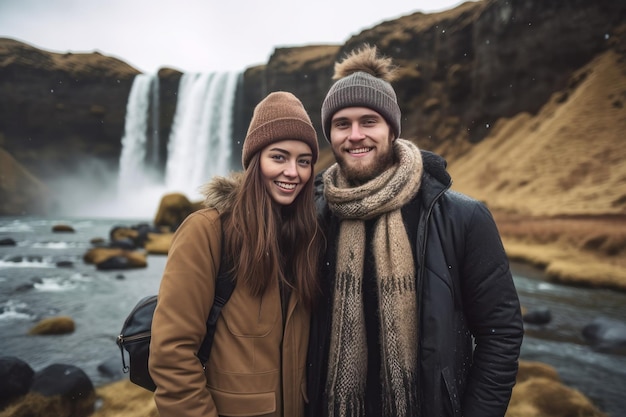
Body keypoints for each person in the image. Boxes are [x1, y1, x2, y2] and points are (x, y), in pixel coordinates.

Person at [306, 44, 524, 417]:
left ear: (392, 128)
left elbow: (500, 333)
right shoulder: (314, 216)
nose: (355, 135)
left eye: (369, 121)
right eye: (342, 124)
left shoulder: (461, 218)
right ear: (330, 135)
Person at [149, 91, 322, 417]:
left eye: (304, 161)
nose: (293, 172)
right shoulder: (208, 231)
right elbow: (171, 354)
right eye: (279, 157)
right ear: (255, 162)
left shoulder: (307, 238)